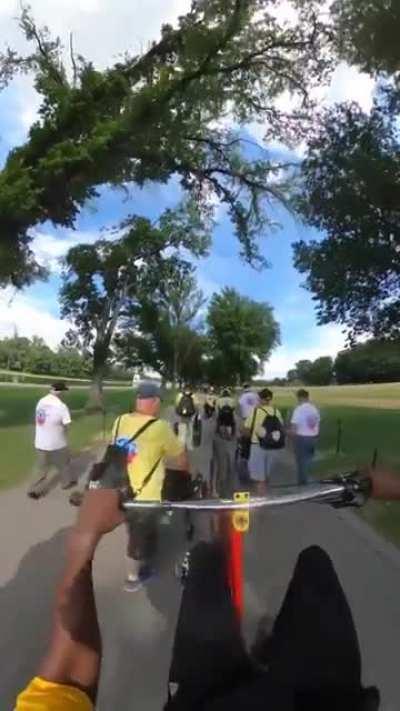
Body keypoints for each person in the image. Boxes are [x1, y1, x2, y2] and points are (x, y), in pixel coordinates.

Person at [18, 466, 400, 710]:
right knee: (315, 563)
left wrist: (86, 535)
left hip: (202, 697)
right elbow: (69, 672)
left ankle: (210, 555)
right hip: (321, 701)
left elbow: (68, 678)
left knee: (206, 561)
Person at [112, 381, 189, 592]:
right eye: (159, 402)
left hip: (121, 488)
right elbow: (181, 461)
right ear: (154, 401)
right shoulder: (160, 428)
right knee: (138, 538)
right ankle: (132, 578)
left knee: (137, 530)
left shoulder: (120, 421)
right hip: (146, 495)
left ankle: (143, 552)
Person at [28, 381, 75, 499]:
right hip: (57, 442)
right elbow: (67, 424)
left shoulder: (41, 402)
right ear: (59, 392)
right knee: (64, 464)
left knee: (41, 467)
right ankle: (66, 483)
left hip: (40, 441)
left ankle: (34, 489)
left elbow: (40, 419)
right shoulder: (61, 406)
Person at [243, 388, 285, 495]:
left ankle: (261, 498)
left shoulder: (256, 411)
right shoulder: (276, 412)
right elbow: (281, 428)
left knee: (259, 476)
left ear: (260, 398)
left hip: (258, 446)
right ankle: (265, 493)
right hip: (274, 446)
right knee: (266, 475)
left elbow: (247, 429)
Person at [290, 389, 320, 485]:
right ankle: (309, 481)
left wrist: (287, 433)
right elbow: (317, 423)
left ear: (300, 397)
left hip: (302, 438)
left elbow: (294, 429)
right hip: (313, 438)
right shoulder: (314, 409)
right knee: (308, 460)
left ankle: (303, 485)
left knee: (301, 463)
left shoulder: (298, 409)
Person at [175, 385, 199, 450]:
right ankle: (189, 445)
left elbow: (177, 404)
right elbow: (196, 406)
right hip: (190, 415)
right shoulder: (193, 396)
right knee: (190, 430)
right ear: (190, 389)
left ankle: (180, 445)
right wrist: (196, 414)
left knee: (182, 430)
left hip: (182, 415)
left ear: (184, 389)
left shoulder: (180, 395)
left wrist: (178, 412)